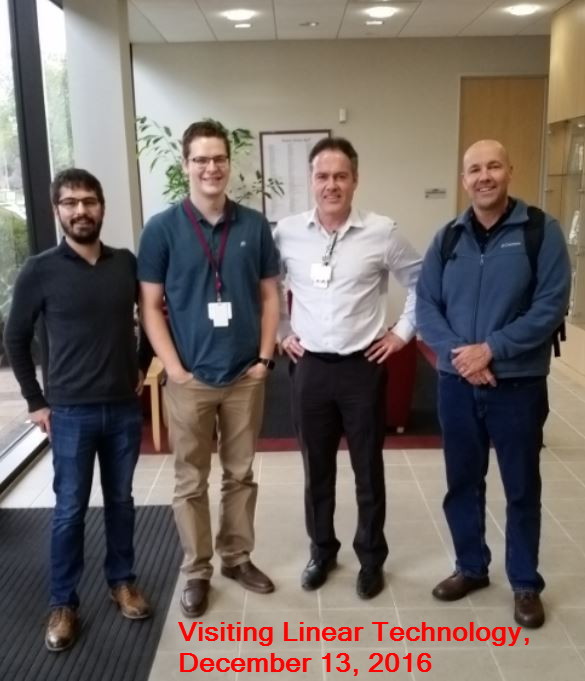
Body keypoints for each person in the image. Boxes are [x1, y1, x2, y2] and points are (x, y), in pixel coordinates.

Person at [416, 139, 571, 628]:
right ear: (464, 179)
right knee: (462, 481)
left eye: (494, 167)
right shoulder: (447, 239)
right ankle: (471, 567)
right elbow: (426, 306)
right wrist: (463, 357)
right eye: (475, 169)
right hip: (457, 385)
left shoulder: (540, 231)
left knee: (521, 486)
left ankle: (524, 582)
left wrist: (492, 349)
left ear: (509, 171)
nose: (484, 176)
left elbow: (550, 305)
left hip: (518, 385)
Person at [4, 169, 152, 652]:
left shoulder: (125, 263)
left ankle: (122, 582)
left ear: (102, 207)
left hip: (123, 409)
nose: (80, 211)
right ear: (57, 211)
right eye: (70, 203)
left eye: (89, 201)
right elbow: (15, 338)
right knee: (69, 510)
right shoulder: (39, 270)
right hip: (69, 414)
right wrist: (35, 401)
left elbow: (152, 316)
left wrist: (143, 364)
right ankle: (63, 603)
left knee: (121, 502)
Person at [138, 120, 280, 618]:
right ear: (186, 165)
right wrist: (174, 370)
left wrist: (265, 358)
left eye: (219, 158)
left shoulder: (254, 226)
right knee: (189, 480)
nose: (211, 167)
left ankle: (237, 558)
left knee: (240, 474)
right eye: (200, 159)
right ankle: (197, 570)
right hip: (190, 379)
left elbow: (270, 295)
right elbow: (149, 306)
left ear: (229, 164)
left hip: (244, 376)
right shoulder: (161, 229)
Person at [274, 137, 421, 599]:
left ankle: (371, 557)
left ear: (355, 180)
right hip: (310, 369)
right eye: (323, 176)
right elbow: (268, 285)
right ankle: (322, 551)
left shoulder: (382, 232)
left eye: (341, 176)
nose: (331, 185)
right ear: (311, 181)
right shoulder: (287, 233)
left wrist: (401, 333)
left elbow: (422, 281)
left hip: (362, 369)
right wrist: (281, 330)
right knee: (316, 469)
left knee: (367, 470)